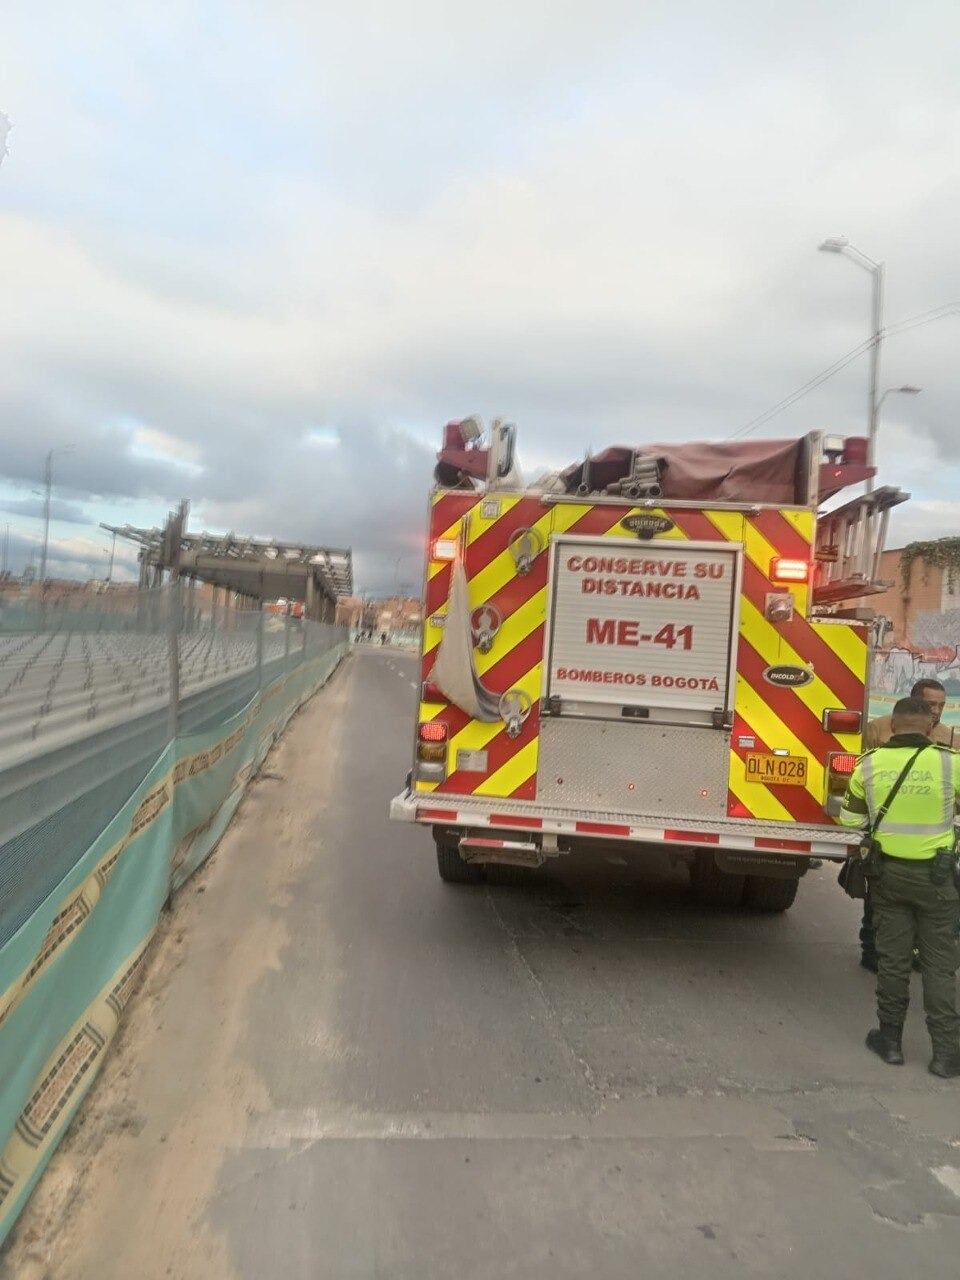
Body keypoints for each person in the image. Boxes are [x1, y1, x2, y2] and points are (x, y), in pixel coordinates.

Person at [840, 696, 960, 1078]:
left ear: (892, 726)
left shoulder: (869, 764)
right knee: (939, 966)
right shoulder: (951, 763)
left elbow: (848, 819)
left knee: (893, 961)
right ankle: (946, 1054)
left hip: (889, 877)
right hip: (938, 879)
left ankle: (890, 1041)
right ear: (930, 726)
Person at [859, 678, 958, 970]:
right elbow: (862, 774)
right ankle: (872, 950)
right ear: (914, 701)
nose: (936, 710)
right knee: (877, 902)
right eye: (931, 704)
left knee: (923, 909)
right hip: (885, 836)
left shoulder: (949, 737)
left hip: (931, 842)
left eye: (941, 705)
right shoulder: (878, 729)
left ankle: (912, 954)